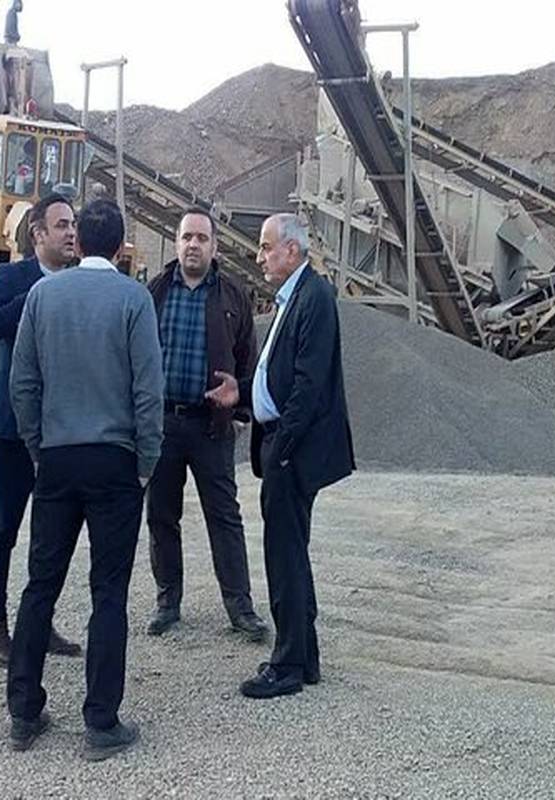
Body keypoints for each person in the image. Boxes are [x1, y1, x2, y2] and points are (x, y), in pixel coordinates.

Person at [6, 200, 164, 760]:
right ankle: (101, 721)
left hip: (56, 458)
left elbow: (23, 384)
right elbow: (148, 389)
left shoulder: (42, 296)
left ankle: (24, 712)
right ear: (121, 247)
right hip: (114, 462)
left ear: (79, 243)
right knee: (108, 592)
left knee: (40, 584)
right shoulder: (133, 299)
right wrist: (146, 461)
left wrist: (38, 447)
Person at [205, 213, 355, 700]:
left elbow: (308, 387)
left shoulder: (315, 298)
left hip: (292, 453)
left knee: (284, 556)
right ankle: (304, 657)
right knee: (290, 553)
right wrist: (244, 390)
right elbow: (280, 376)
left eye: (266, 247)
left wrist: (282, 452)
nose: (260, 256)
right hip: (284, 446)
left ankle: (287, 665)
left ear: (292, 249)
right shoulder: (296, 297)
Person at [0, 194, 83, 669]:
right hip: (15, 429)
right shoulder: (12, 278)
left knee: (51, 532)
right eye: (61, 225)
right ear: (37, 234)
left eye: (73, 224)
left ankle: (39, 619)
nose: (71, 232)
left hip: (61, 431)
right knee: (5, 526)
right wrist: (34, 298)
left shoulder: (80, 281)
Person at [144, 210, 268, 642]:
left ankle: (240, 607)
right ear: (176, 242)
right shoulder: (156, 291)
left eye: (201, 238)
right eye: (186, 237)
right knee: (161, 516)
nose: (193, 245)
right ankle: (167, 602)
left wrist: (239, 412)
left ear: (214, 246)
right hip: (163, 423)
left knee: (224, 517)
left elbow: (247, 357)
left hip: (211, 427)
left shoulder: (232, 295)